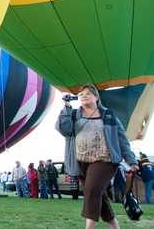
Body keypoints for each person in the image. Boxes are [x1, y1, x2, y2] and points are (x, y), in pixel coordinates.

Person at [56, 84, 138, 228]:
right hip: (80, 162)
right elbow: (64, 130)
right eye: (81, 94)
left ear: (96, 97)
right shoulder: (74, 114)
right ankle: (115, 226)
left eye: (88, 93)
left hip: (105, 160)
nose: (84, 96)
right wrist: (66, 108)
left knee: (91, 191)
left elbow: (122, 140)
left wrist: (131, 160)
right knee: (98, 195)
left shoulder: (108, 115)